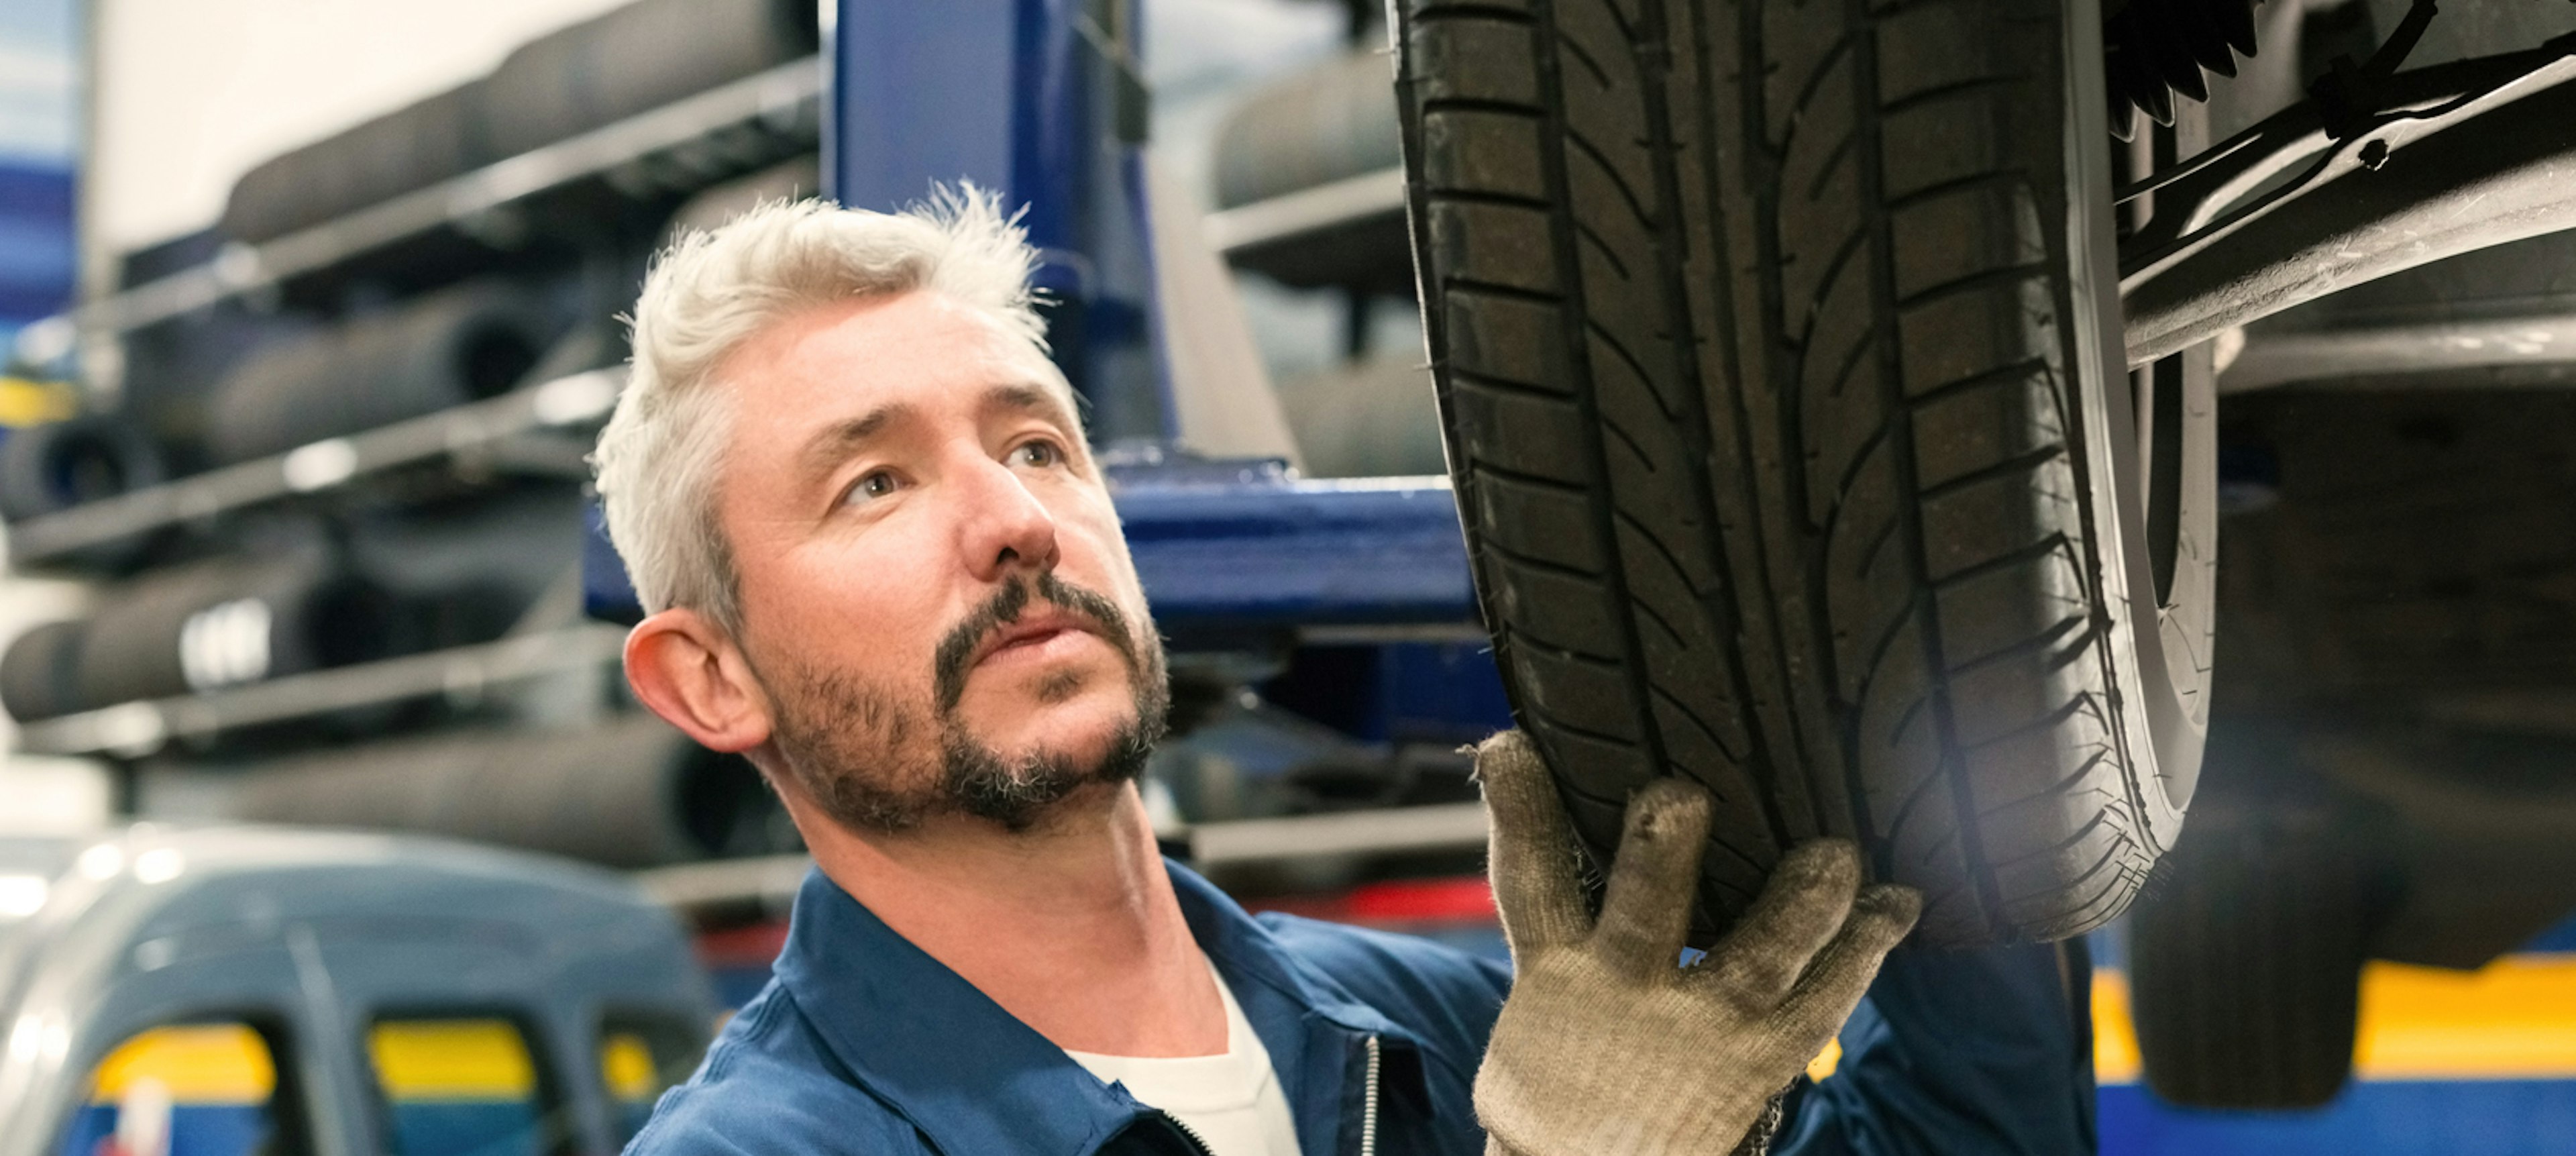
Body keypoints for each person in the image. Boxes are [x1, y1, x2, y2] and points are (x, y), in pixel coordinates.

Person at [595, 189, 2098, 1155]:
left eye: (1036, 443)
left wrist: (1935, 614)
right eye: (873, 484)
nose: (1013, 521)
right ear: (711, 679)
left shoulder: (1414, 1030)